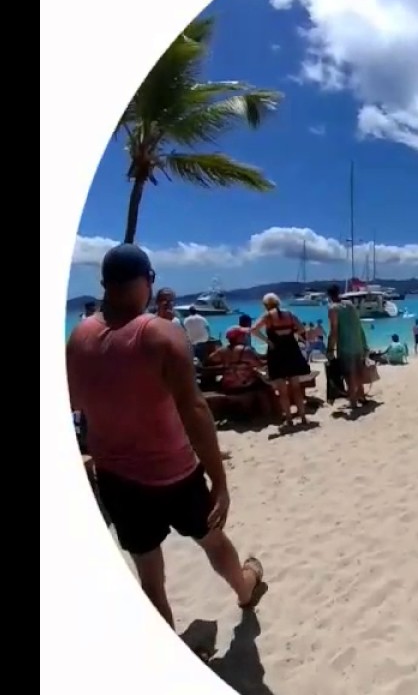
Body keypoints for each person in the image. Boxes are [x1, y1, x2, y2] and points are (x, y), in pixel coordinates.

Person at [66, 244, 264, 628]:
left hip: (116, 479)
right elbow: (195, 410)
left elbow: (74, 403)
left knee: (149, 577)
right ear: (145, 281)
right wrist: (219, 482)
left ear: (105, 284)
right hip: (173, 474)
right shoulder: (160, 334)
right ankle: (244, 589)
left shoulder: (78, 337)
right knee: (213, 540)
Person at [251, 293, 311, 427]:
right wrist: (292, 335)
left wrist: (267, 341)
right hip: (292, 351)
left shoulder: (267, 317)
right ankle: (302, 417)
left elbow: (253, 330)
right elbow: (301, 329)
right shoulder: (289, 314)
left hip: (276, 353)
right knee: (296, 388)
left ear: (266, 305)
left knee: (282, 390)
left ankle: (289, 419)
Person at [206, 326, 277, 420]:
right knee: (266, 386)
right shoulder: (245, 350)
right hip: (243, 384)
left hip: (228, 384)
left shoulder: (222, 350)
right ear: (238, 337)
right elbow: (259, 364)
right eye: (243, 335)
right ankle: (269, 414)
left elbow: (210, 359)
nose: (245, 337)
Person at [326, 285, 369, 409]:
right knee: (358, 371)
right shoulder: (350, 305)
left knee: (348, 374)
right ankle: (362, 396)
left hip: (345, 345)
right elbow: (358, 324)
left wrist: (330, 348)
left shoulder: (333, 308)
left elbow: (334, 330)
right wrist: (365, 344)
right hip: (358, 342)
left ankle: (353, 401)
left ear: (329, 296)